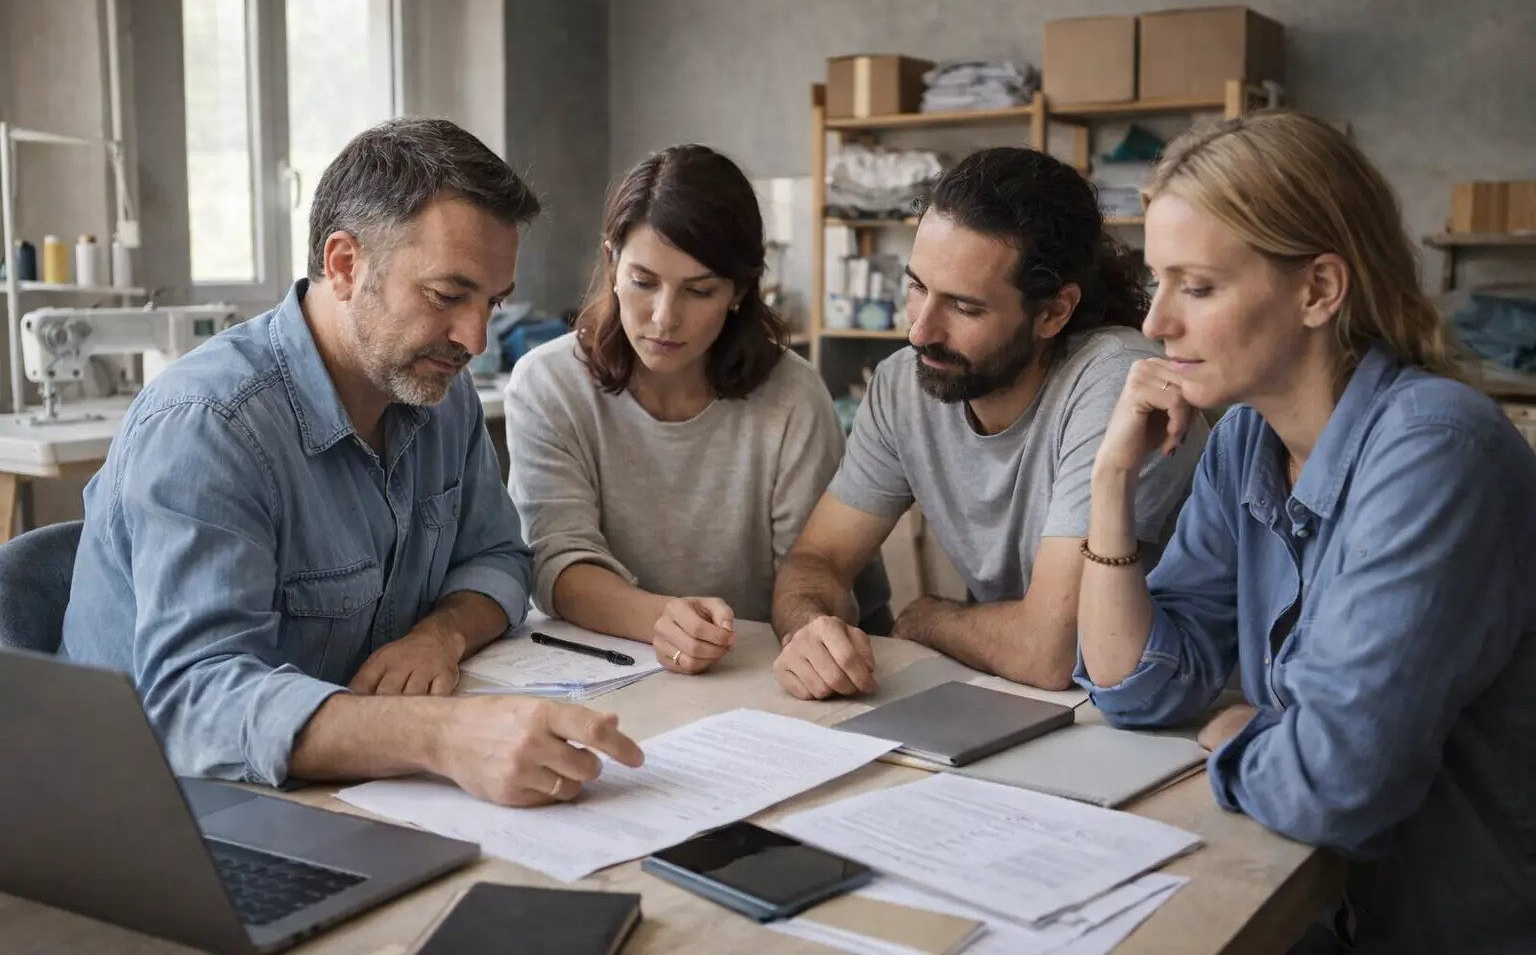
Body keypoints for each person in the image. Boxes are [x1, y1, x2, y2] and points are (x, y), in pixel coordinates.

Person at [60, 117, 643, 807]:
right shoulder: (208, 427)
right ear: (343, 265)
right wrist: (439, 734)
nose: (475, 338)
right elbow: (195, 701)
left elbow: (498, 558)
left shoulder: (437, 393)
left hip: (345, 793)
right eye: (448, 295)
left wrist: (441, 636)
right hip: (166, 812)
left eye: (493, 303)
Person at [1075, 111, 1536, 953]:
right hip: (1308, 910)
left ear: (1320, 290)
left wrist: (1246, 733)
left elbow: (1334, 784)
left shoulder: (1437, 452)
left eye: (1199, 287)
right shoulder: (1248, 438)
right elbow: (1137, 688)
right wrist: (1111, 483)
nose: (1156, 324)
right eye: (1157, 283)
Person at [772, 147, 1205, 701]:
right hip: (1019, 696)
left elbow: (1051, 650)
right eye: (917, 287)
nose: (920, 332)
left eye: (965, 308)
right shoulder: (904, 383)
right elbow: (817, 559)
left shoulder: (1116, 381)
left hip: (1164, 710)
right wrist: (809, 627)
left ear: (1053, 312)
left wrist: (927, 617)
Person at [506, 144, 889, 674]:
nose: (665, 318)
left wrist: (812, 637)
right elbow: (557, 564)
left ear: (739, 291)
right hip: (605, 668)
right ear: (612, 262)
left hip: (759, 669)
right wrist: (660, 619)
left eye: (699, 290)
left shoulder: (792, 396)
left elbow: (811, 574)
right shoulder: (547, 384)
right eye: (643, 282)